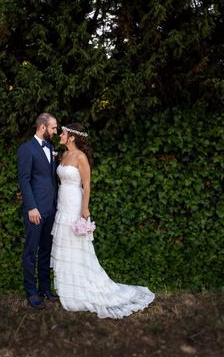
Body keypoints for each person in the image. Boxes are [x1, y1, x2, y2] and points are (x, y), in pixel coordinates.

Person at [50, 123, 155, 318]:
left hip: (74, 203)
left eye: (63, 133)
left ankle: (84, 286)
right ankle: (69, 289)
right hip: (62, 204)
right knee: (65, 242)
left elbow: (87, 184)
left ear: (72, 137)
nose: (60, 135)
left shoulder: (80, 157)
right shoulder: (63, 156)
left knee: (77, 244)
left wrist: (85, 208)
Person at [17, 112, 60, 309]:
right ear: (43, 127)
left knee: (46, 251)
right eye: (53, 128)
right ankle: (31, 292)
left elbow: (50, 180)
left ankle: (44, 288)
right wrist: (31, 207)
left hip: (50, 209)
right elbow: (24, 180)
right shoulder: (26, 149)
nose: (55, 131)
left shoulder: (51, 148)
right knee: (30, 252)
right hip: (35, 210)